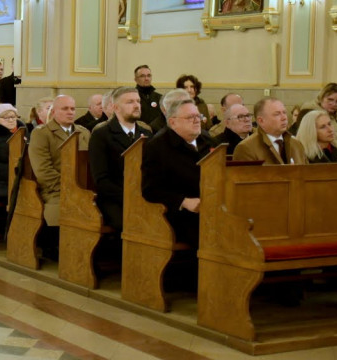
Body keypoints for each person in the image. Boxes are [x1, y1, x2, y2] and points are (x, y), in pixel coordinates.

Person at [141, 97, 214, 249]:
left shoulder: (206, 139)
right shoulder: (157, 146)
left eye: (198, 116)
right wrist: (183, 201)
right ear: (173, 122)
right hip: (178, 213)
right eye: (190, 117)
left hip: (212, 205)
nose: (197, 121)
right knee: (212, 236)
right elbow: (150, 190)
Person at [28, 95, 91, 260]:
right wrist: (69, 188)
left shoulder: (83, 132)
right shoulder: (42, 133)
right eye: (65, 109)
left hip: (82, 187)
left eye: (72, 108)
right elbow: (43, 169)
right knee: (60, 206)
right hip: (55, 189)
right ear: (54, 112)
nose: (70, 112)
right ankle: (54, 246)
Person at [88, 86, 152, 231]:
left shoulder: (146, 133)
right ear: (116, 107)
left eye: (138, 101)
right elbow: (101, 179)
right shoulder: (102, 135)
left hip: (144, 196)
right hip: (115, 199)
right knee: (132, 225)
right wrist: (131, 197)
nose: (136, 105)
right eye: (130, 102)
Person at [232, 97, 308, 165]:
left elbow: (308, 174)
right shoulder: (246, 148)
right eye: (277, 114)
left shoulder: (296, 144)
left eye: (284, 112)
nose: (284, 118)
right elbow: (245, 179)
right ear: (261, 121)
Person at [134, 64, 164, 131]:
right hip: (139, 132)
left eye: (149, 76)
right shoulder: (132, 97)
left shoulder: (159, 97)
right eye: (142, 76)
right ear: (135, 79)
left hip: (157, 132)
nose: (146, 78)